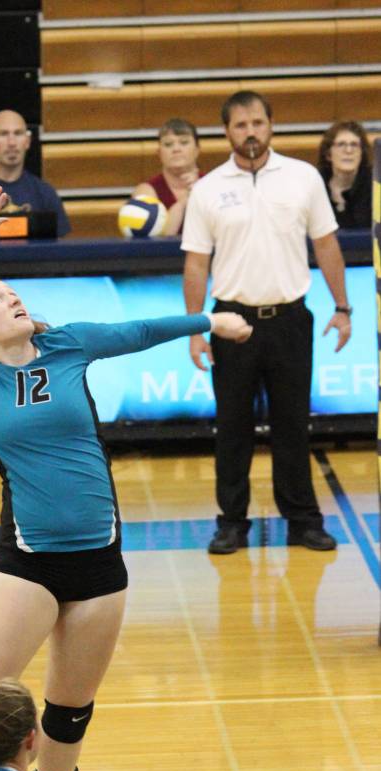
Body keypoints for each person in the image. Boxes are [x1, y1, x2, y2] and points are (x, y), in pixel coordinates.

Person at [0, 180, 251, 771]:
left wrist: (209, 320)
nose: (12, 299)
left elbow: (138, 330)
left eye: (13, 293)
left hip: (100, 557)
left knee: (69, 714)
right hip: (30, 561)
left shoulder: (66, 344)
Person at [182, 89, 353, 555]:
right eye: (241, 125)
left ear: (271, 125)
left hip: (290, 319)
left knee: (293, 424)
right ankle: (231, 523)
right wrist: (196, 328)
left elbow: (327, 245)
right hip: (230, 319)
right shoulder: (208, 189)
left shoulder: (303, 177)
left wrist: (343, 307)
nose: (251, 132)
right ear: (226, 132)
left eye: (257, 122)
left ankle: (303, 520)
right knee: (232, 428)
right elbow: (196, 263)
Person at [132, 117, 202, 235]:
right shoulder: (146, 192)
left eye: (184, 142)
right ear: (159, 153)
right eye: (168, 144)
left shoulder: (212, 184)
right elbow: (160, 239)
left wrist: (202, 192)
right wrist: (184, 201)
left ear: (197, 150)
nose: (176, 149)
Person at [317, 120, 372, 229]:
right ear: (328, 154)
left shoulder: (374, 187)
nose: (348, 150)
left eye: (354, 145)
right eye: (341, 144)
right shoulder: (315, 185)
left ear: (362, 153)